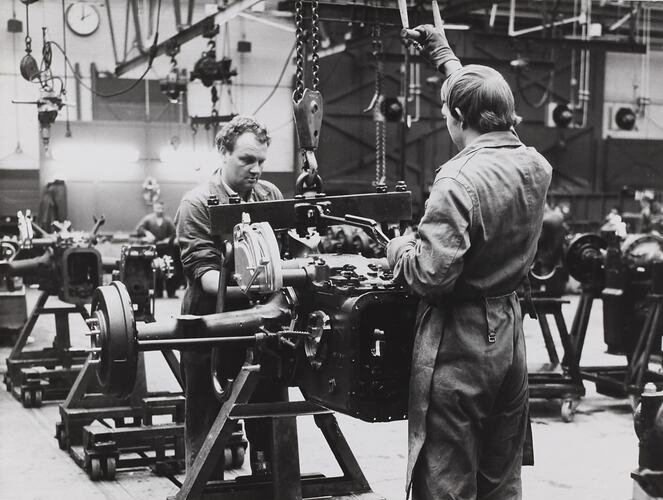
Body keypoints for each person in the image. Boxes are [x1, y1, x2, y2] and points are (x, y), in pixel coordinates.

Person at [389, 25, 553, 500]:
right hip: (509, 334)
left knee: (446, 474)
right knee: (500, 475)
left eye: (447, 113)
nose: (446, 121)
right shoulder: (534, 164)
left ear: (460, 116)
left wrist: (399, 249)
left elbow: (432, 276)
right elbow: (490, 111)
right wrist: (444, 55)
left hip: (459, 341)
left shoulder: (456, 179)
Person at [174, 115, 285, 475]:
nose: (256, 169)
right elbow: (207, 277)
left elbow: (288, 254)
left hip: (264, 329)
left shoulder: (270, 196)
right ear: (223, 152)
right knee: (206, 423)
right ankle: (203, 488)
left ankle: (270, 485)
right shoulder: (197, 204)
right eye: (247, 160)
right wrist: (272, 287)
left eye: (262, 162)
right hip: (210, 330)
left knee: (269, 418)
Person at [134, 199, 180, 298]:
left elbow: (174, 233)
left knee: (169, 269)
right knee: (155, 270)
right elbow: (139, 229)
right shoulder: (148, 219)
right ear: (154, 208)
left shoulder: (168, 220)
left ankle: (171, 292)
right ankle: (157, 293)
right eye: (158, 207)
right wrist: (147, 233)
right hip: (153, 250)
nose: (160, 209)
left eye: (162, 208)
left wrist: (168, 240)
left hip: (167, 249)